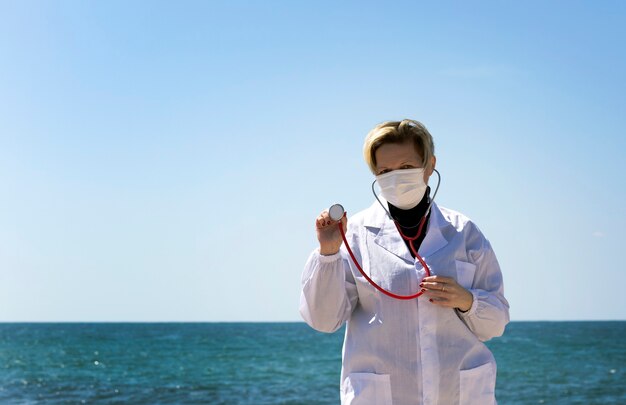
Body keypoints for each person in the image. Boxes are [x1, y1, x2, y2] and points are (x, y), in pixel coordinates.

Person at [299, 119, 509, 405]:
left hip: (460, 395)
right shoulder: (355, 235)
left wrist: (467, 300)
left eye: (407, 168)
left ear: (430, 165)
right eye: (385, 171)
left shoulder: (463, 232)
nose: (396, 178)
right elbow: (324, 320)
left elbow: (495, 324)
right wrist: (328, 252)